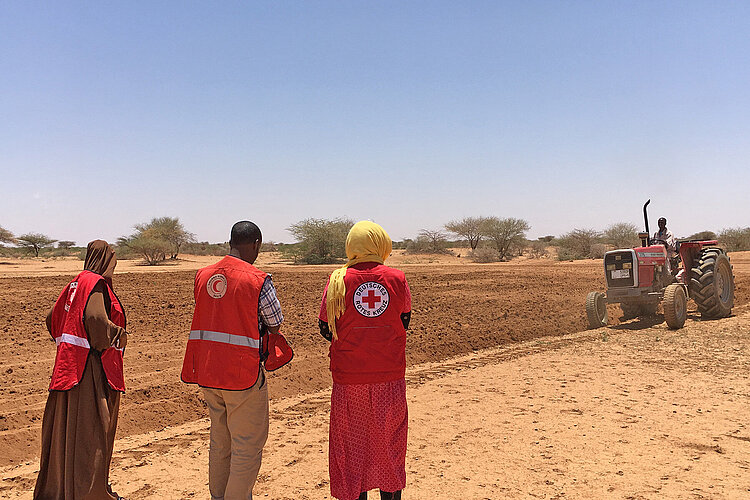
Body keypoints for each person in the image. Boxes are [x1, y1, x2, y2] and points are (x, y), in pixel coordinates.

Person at [181, 221, 283, 500]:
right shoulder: (258, 279)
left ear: (231, 243)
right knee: (247, 446)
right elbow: (275, 323)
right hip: (242, 376)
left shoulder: (202, 275)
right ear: (256, 244)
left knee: (220, 442)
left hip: (207, 372)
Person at [318, 221, 412, 500]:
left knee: (351, 446)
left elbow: (325, 327)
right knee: (389, 444)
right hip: (389, 377)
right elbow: (404, 321)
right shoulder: (397, 278)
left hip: (349, 379)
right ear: (382, 244)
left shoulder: (338, 280)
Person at [34, 240, 129, 500]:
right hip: (90, 372)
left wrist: (67, 341)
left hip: (67, 369)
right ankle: (90, 494)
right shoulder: (95, 284)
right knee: (91, 435)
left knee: (64, 434)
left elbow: (51, 317)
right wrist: (115, 335)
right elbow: (97, 320)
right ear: (105, 261)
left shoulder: (74, 283)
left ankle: (61, 491)